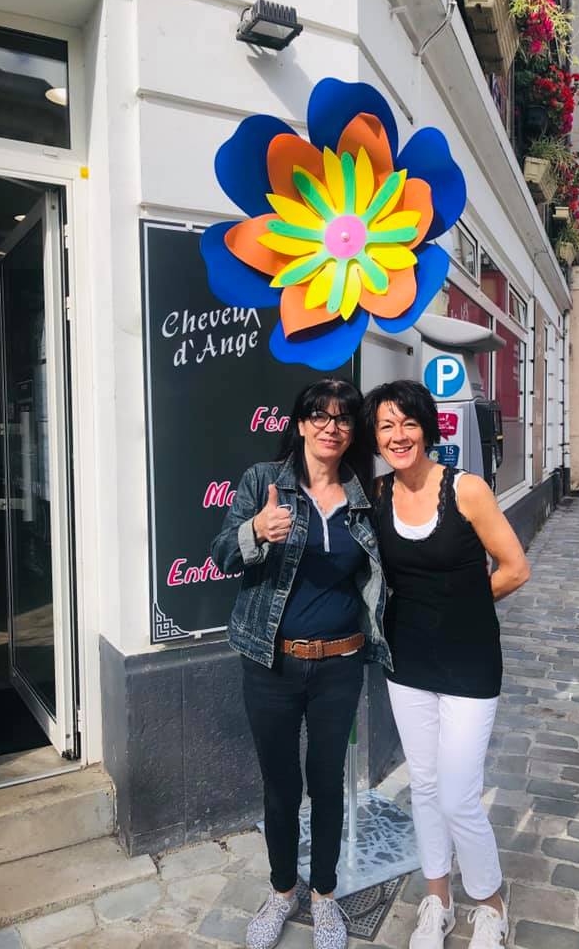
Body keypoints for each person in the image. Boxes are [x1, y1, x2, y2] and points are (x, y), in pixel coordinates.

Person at [211, 379, 391, 949]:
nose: (331, 427)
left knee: (327, 782)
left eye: (343, 418)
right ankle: (282, 890)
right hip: (272, 664)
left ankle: (325, 897)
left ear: (353, 431)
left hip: (340, 664)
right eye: (319, 415)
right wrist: (254, 532)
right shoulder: (263, 482)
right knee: (281, 784)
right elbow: (220, 553)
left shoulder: (366, 496)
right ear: (300, 424)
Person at [362, 380, 531, 949]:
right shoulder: (377, 495)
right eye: (386, 426)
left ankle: (490, 902)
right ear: (376, 438)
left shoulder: (467, 490)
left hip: (469, 661)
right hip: (407, 662)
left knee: (459, 793)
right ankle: (438, 899)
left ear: (427, 429)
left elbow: (515, 568)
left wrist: (464, 606)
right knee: (427, 785)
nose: (398, 435)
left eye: (408, 423)